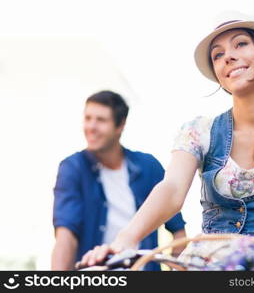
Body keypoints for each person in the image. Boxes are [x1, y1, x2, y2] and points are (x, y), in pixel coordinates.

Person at [79, 16, 254, 268]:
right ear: (219, 78)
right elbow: (172, 189)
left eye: (241, 44)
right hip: (206, 265)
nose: (228, 57)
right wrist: (125, 240)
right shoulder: (200, 131)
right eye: (218, 55)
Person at [51, 90, 186, 271]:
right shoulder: (73, 168)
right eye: (88, 118)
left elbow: (178, 229)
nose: (91, 126)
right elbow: (66, 234)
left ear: (120, 125)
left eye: (101, 120)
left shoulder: (149, 166)